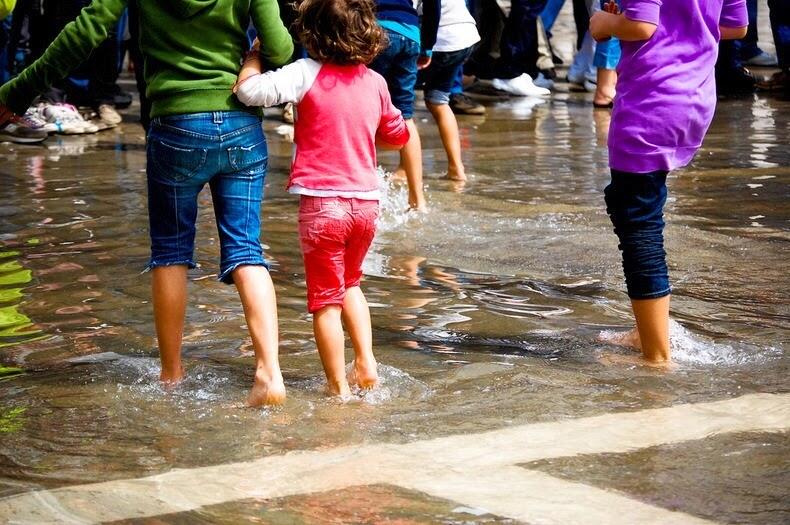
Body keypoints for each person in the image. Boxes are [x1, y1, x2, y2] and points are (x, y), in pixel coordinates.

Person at [0, 0, 294, 406]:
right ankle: (269, 373)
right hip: (240, 125)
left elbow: (85, 32)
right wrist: (256, 53)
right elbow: (281, 48)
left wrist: (17, 92)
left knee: (171, 252)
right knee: (246, 250)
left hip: (176, 127)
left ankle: (172, 376)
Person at [234, 0, 409, 397]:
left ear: (311, 34)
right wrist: (369, 133)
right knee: (352, 284)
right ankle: (365, 364)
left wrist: (254, 55)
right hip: (367, 203)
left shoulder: (304, 73)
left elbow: (249, 92)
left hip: (322, 207)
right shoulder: (375, 82)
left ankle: (338, 390)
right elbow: (398, 135)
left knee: (326, 302)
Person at [589, 0, 747, 364]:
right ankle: (645, 331)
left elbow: (642, 25)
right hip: (695, 98)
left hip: (651, 100)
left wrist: (605, 22)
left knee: (639, 223)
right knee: (642, 207)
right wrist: (684, 35)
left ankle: (656, 355)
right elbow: (736, 26)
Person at [370, 0, 439, 212]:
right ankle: (418, 199)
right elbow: (433, 7)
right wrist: (427, 46)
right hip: (410, 33)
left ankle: (367, 195)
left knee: (368, 114)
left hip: (378, 30)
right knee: (405, 115)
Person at [421, 0, 480, 181]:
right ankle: (456, 168)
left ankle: (404, 168)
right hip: (465, 34)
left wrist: (426, 49)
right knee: (438, 100)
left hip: (443, 38)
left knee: (402, 103)